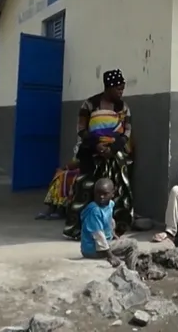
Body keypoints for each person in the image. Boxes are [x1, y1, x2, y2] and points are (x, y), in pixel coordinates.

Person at [64, 69, 134, 240]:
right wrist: (97, 145)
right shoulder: (89, 104)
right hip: (91, 152)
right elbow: (81, 129)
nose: (121, 92)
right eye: (118, 88)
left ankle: (116, 228)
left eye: (122, 89)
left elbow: (127, 132)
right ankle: (80, 230)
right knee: (86, 187)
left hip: (115, 153)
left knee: (118, 188)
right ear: (108, 87)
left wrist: (112, 149)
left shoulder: (123, 107)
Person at [80, 178, 139, 270]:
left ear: (113, 194)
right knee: (132, 244)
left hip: (103, 244)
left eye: (105, 194)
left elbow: (109, 221)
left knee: (123, 242)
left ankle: (128, 266)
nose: (101, 197)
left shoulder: (110, 204)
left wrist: (113, 234)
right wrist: (110, 255)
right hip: (93, 249)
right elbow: (98, 235)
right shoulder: (95, 211)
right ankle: (132, 271)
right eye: (98, 193)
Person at [37, 141, 82, 220]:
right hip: (77, 169)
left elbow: (80, 162)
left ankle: (61, 209)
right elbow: (75, 161)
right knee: (59, 175)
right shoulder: (80, 143)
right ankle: (52, 207)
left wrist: (66, 167)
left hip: (86, 170)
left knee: (64, 177)